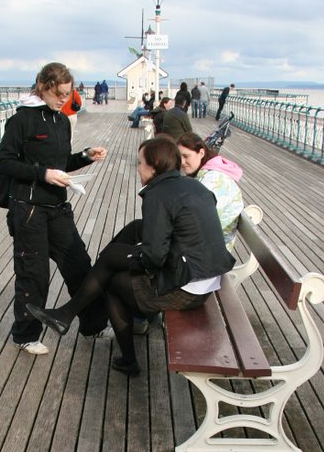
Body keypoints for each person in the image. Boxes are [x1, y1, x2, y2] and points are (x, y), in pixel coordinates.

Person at [25, 136, 235, 376]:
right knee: (119, 253)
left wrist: (130, 265)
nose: (138, 168)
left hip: (186, 290)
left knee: (114, 282)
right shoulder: (192, 185)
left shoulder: (158, 194)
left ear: (154, 166)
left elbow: (155, 257)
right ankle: (74, 310)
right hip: (203, 278)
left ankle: (108, 341)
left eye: (140, 163)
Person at [0, 61, 110, 355]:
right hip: (29, 209)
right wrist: (42, 174)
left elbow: (60, 164)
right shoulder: (22, 120)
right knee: (33, 274)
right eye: (59, 93)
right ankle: (25, 335)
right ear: (43, 87)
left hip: (58, 207)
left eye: (68, 95)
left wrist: (84, 156)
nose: (64, 100)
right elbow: (5, 163)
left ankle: (93, 325)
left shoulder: (60, 120)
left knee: (79, 265)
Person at [177, 132, 244, 250]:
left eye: (186, 156)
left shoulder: (214, 181)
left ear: (201, 153)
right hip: (207, 245)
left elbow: (200, 223)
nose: (182, 162)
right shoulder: (207, 174)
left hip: (212, 253)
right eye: (179, 157)